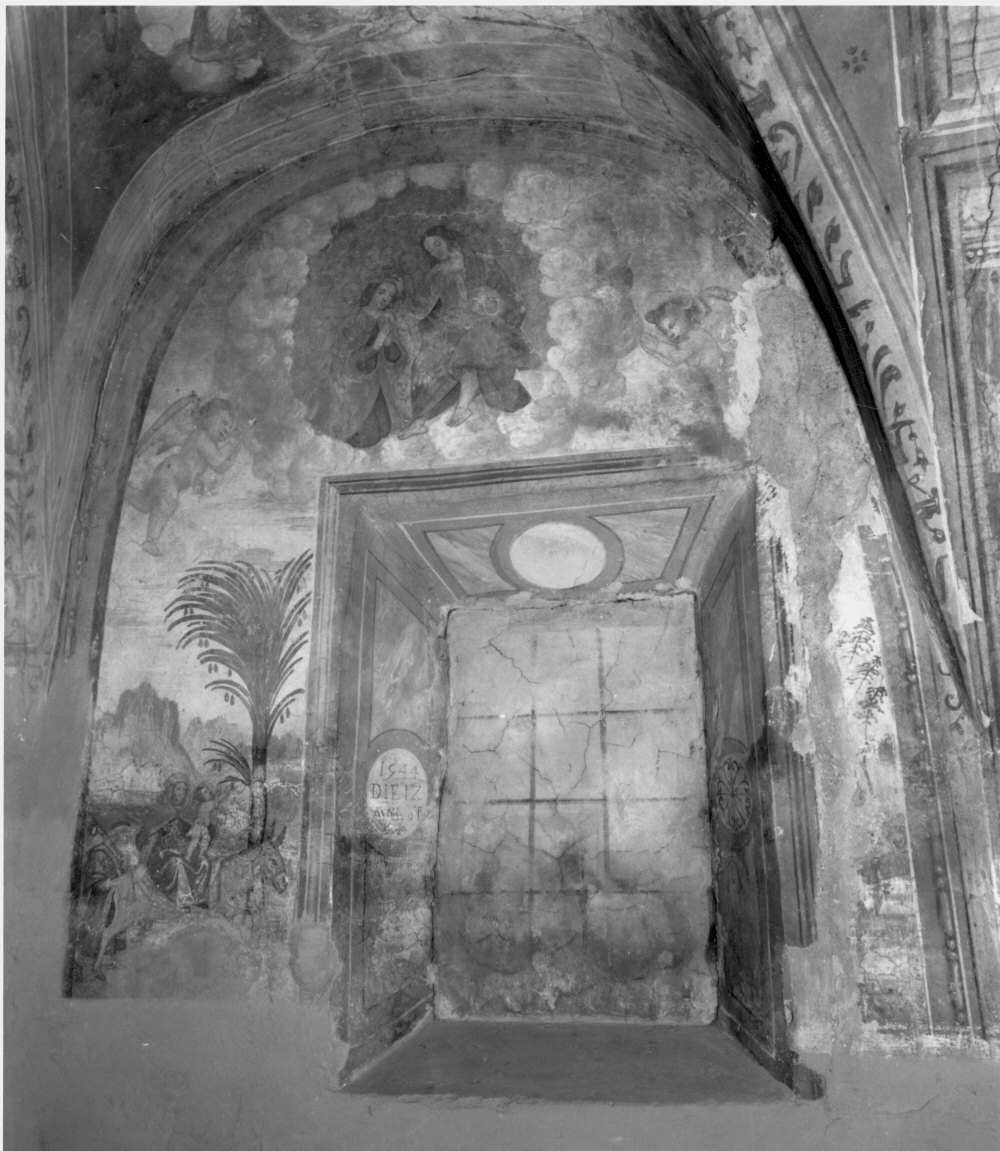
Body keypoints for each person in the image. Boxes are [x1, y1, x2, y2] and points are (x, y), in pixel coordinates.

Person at [411, 225, 533, 427]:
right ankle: (422, 417)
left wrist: (493, 315)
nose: (435, 251)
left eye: (437, 243)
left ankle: (458, 408)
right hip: (449, 327)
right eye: (430, 250)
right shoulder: (437, 274)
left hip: (486, 324)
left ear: (448, 238)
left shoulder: (483, 263)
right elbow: (421, 306)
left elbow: (510, 296)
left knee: (472, 350)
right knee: (426, 364)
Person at [125, 398, 241, 555]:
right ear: (208, 417)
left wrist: (234, 453)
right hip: (170, 473)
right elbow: (217, 461)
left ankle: (123, 489)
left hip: (170, 474)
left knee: (146, 503)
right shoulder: (200, 436)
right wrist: (232, 445)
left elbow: (220, 468)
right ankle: (150, 541)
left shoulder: (208, 444)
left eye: (230, 428)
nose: (227, 430)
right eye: (224, 422)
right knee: (169, 501)